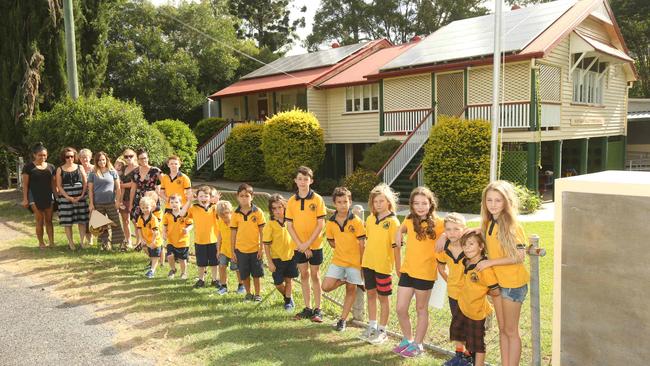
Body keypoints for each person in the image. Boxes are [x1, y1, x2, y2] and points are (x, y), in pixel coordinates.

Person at [476, 181, 529, 366]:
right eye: (489, 200)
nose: (493, 204)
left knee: (511, 331)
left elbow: (519, 256)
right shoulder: (490, 222)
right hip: (497, 284)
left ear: (506, 201)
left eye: (498, 200)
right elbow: (484, 235)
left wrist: (490, 262)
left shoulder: (512, 224)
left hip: (513, 285)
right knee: (502, 329)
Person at [393, 186, 444, 358]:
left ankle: (418, 344)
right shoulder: (409, 220)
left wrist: (444, 236)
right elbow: (402, 227)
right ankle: (408, 339)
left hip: (425, 273)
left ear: (431, 204)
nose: (420, 206)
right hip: (408, 271)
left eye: (424, 203)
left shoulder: (439, 223)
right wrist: (399, 231)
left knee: (421, 309)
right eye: (416, 203)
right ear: (412, 205)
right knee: (400, 308)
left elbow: (460, 228)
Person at [359, 184, 400, 344]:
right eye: (375, 201)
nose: (378, 204)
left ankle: (383, 330)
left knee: (383, 298)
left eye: (381, 201)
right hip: (368, 263)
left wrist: (398, 267)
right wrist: (362, 263)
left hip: (383, 266)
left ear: (388, 202)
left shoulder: (393, 222)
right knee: (370, 295)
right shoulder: (369, 219)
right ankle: (372, 326)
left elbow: (396, 248)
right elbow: (369, 241)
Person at [452, 231, 500, 366]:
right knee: (463, 336)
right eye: (464, 245)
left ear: (481, 246)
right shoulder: (466, 262)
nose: (467, 248)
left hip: (477, 312)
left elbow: (495, 291)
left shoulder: (484, 268)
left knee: (477, 344)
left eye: (471, 244)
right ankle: (464, 359)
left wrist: (482, 291)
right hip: (463, 307)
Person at [286, 166, 327, 322]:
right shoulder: (291, 201)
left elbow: (320, 224)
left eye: (306, 179)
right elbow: (289, 225)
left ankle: (318, 309)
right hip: (298, 246)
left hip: (315, 245)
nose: (303, 182)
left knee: (315, 275)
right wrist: (301, 245)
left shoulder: (317, 199)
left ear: (311, 181)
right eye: (300, 179)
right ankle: (308, 308)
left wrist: (308, 244)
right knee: (304, 275)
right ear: (296, 181)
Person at [322, 187, 366, 332]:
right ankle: (347, 279)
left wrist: (361, 264)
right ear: (334, 204)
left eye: (345, 202)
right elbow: (331, 241)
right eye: (339, 202)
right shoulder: (331, 222)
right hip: (338, 261)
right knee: (326, 287)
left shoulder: (357, 221)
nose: (343, 205)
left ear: (350, 202)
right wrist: (342, 249)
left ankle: (343, 320)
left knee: (350, 290)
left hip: (355, 263)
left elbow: (362, 244)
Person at [437, 213, 471, 366]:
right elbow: (441, 267)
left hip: (471, 294)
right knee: (457, 324)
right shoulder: (445, 247)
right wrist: (450, 281)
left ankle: (469, 356)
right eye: (448, 230)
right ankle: (459, 354)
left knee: (470, 324)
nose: (452, 233)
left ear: (464, 230)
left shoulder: (470, 246)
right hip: (453, 293)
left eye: (457, 229)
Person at [230, 183, 266, 302]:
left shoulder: (258, 212)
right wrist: (233, 250)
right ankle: (248, 293)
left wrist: (262, 248)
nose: (244, 198)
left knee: (256, 274)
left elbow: (262, 232)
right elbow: (233, 233)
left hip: (255, 250)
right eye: (241, 196)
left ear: (252, 197)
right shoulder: (235, 214)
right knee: (244, 274)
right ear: (237, 197)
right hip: (241, 250)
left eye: (247, 196)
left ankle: (257, 294)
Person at [262, 194, 297, 311]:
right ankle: (287, 295)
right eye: (274, 208)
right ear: (271, 210)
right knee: (278, 283)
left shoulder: (290, 221)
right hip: (277, 258)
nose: (277, 211)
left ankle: (288, 301)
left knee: (289, 280)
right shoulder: (270, 225)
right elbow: (266, 244)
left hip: (291, 256)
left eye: (279, 207)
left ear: (284, 207)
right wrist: (270, 262)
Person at [21, 142, 56, 249]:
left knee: (49, 220)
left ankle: (51, 242)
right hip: (34, 197)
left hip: (48, 196)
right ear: (34, 155)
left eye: (44, 155)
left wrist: (57, 196)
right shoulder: (28, 167)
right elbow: (25, 185)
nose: (42, 157)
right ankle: (41, 243)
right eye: (40, 155)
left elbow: (53, 184)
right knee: (39, 220)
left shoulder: (51, 167)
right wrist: (25, 199)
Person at [87, 151, 125, 250]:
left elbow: (118, 188)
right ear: (96, 161)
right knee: (101, 224)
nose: (101, 162)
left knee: (116, 222)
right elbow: (90, 190)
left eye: (103, 159)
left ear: (106, 160)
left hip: (111, 202)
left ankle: (119, 244)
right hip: (97, 203)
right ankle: (104, 244)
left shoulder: (112, 172)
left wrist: (117, 201)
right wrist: (91, 203)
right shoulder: (93, 173)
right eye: (99, 160)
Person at [56, 147, 90, 251]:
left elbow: (85, 183)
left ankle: (82, 242)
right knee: (68, 222)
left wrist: (81, 195)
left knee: (82, 221)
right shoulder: (60, 169)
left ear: (74, 157)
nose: (70, 158)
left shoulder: (80, 167)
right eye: (67, 157)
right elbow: (59, 186)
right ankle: (71, 243)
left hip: (81, 198)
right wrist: (68, 197)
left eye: (71, 156)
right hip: (66, 199)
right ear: (64, 157)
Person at [186, 185, 219, 288]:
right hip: (200, 240)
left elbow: (222, 214)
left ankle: (215, 280)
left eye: (206, 196)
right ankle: (201, 280)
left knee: (214, 262)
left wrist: (217, 202)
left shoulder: (214, 207)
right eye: (201, 196)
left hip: (213, 240)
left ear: (210, 197)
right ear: (197, 197)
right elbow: (182, 214)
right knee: (201, 263)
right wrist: (189, 201)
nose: (203, 199)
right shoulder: (194, 208)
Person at [215, 200, 245, 295]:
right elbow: (219, 235)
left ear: (231, 212)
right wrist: (218, 249)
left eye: (226, 213)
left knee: (237, 268)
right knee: (222, 266)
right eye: (222, 215)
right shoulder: (220, 222)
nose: (225, 216)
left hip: (235, 250)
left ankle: (241, 285)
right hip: (224, 249)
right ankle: (223, 286)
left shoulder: (236, 222)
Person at [162, 194, 193, 280]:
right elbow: (164, 225)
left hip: (182, 241)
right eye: (172, 202)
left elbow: (191, 224)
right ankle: (173, 269)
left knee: (182, 259)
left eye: (176, 202)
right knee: (169, 256)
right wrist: (164, 233)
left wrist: (187, 229)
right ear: (169, 204)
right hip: (171, 240)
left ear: (181, 203)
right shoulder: (167, 215)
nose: (174, 204)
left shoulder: (185, 214)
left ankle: (184, 273)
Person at [115, 148, 138, 250]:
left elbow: (134, 184)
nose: (128, 158)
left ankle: (139, 241)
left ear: (135, 157)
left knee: (135, 221)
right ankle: (128, 240)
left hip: (134, 197)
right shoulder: (123, 168)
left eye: (131, 156)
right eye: (126, 156)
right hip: (123, 197)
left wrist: (122, 185)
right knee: (125, 220)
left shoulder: (138, 168)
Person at [130, 149, 161, 222]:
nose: (143, 160)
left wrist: (158, 193)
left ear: (148, 158)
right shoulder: (135, 172)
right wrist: (131, 204)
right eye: (141, 158)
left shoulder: (156, 171)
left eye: (145, 158)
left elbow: (164, 183)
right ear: (138, 160)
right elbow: (133, 189)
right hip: (138, 201)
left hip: (151, 200)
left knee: (153, 224)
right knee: (138, 224)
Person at [136, 196, 163, 278]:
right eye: (143, 208)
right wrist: (141, 239)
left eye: (147, 207)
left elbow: (156, 231)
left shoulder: (153, 219)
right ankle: (153, 264)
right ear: (140, 208)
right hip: (146, 240)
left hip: (155, 240)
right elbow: (139, 229)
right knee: (149, 253)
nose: (145, 209)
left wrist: (153, 241)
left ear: (151, 207)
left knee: (155, 256)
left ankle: (152, 271)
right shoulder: (140, 218)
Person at [78, 148, 94, 245]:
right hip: (80, 196)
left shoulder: (95, 168)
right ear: (79, 158)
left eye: (86, 157)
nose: (85, 159)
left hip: (93, 197)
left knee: (91, 218)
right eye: (82, 157)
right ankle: (82, 240)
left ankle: (91, 239)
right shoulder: (77, 168)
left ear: (90, 158)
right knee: (82, 219)